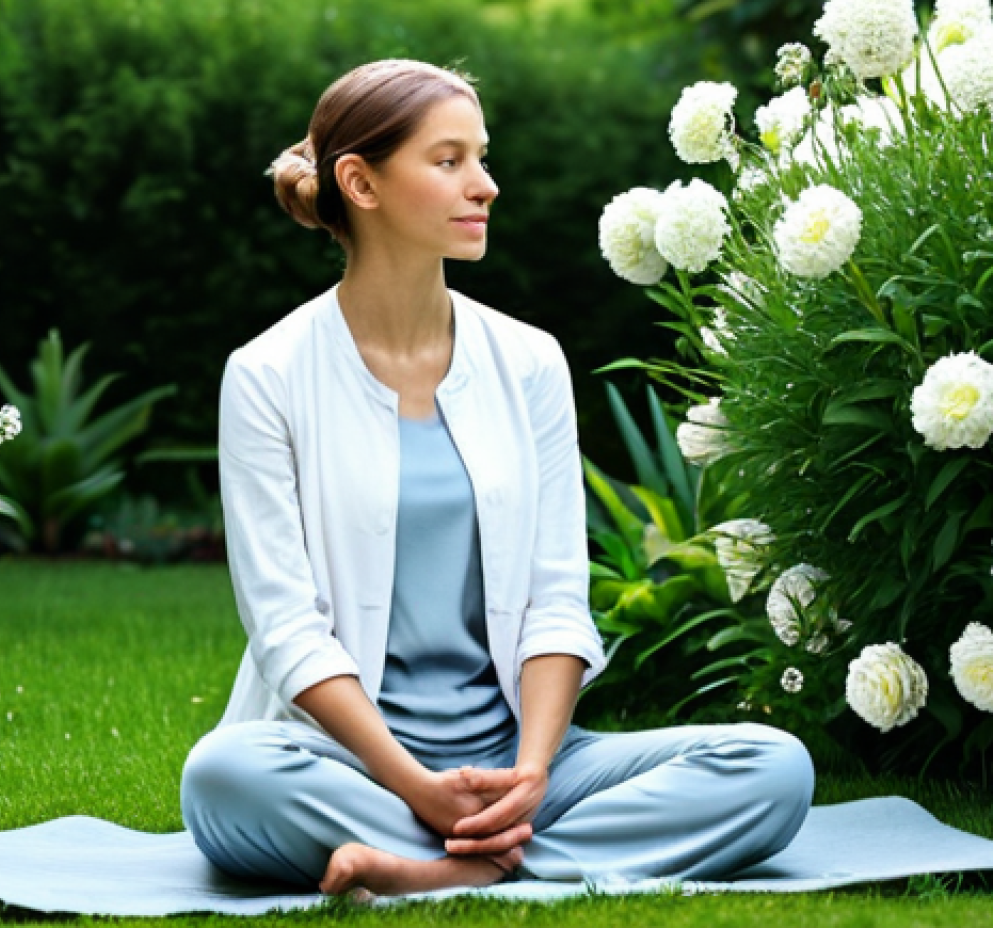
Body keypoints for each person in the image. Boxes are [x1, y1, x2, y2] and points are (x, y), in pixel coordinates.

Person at [179, 58, 815, 899]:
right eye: (449, 162)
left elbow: (558, 598)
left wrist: (532, 774)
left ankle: (446, 868)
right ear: (360, 183)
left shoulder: (528, 362)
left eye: (482, 157)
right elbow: (286, 632)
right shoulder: (267, 375)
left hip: (518, 765)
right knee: (223, 776)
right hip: (348, 765)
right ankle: (489, 861)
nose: (485, 186)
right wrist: (417, 788)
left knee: (774, 768)